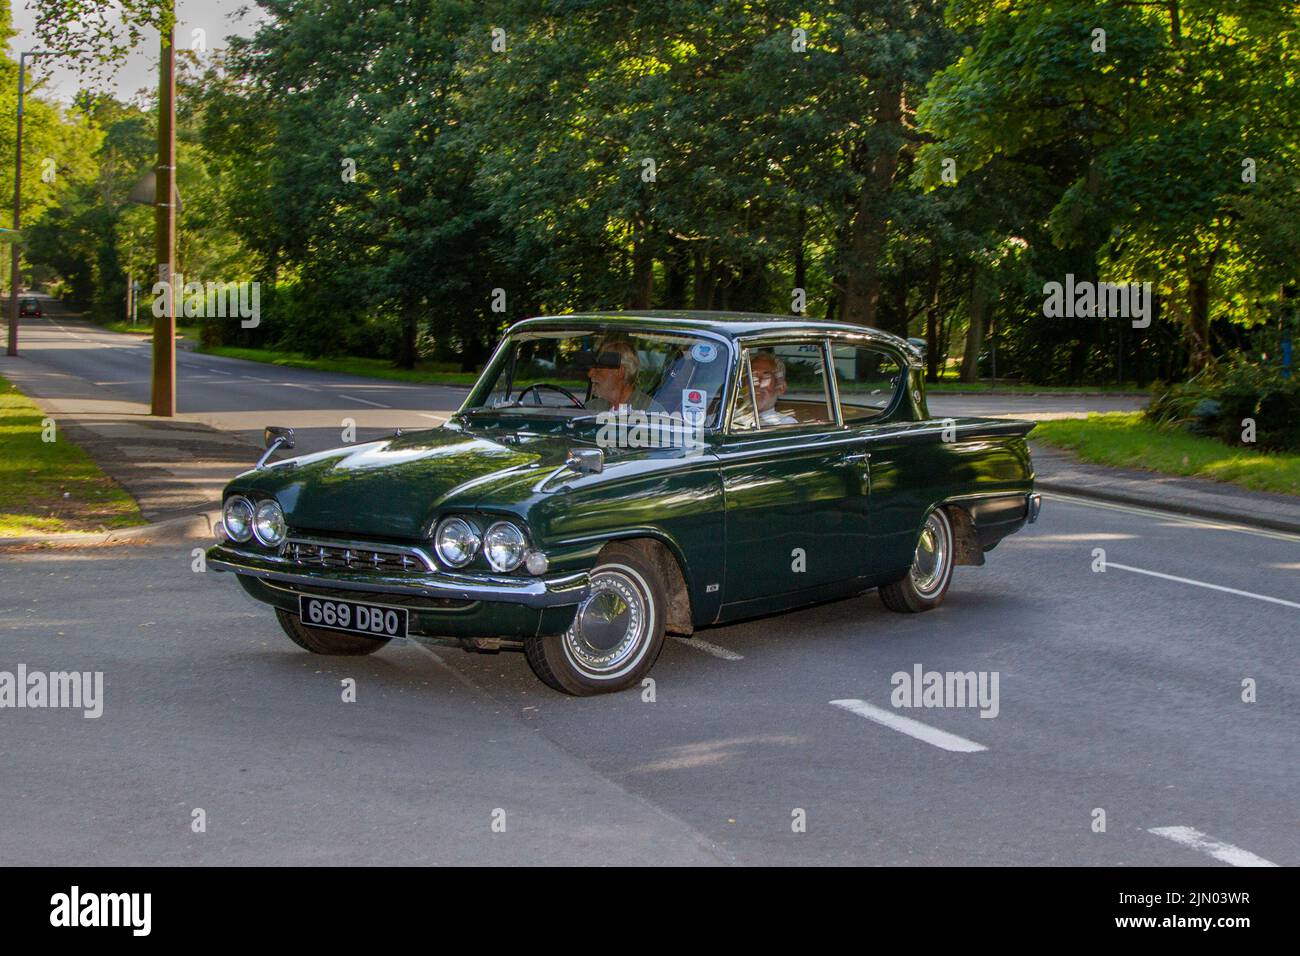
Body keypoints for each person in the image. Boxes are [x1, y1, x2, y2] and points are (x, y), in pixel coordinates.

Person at [585, 339, 664, 413]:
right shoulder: (591, 408)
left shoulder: (651, 412)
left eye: (599, 367)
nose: (590, 373)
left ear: (620, 371)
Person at [735, 352, 797, 427]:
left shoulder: (787, 425)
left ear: (781, 388)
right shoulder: (725, 420)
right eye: (751, 375)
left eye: (766, 376)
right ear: (742, 385)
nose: (757, 382)